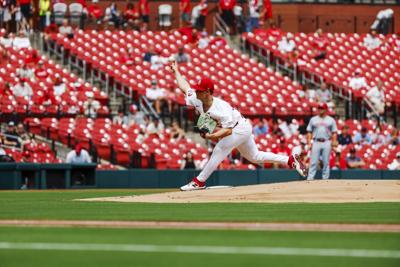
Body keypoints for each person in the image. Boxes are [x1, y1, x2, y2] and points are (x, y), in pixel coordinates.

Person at [169, 59, 307, 191]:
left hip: (239, 127)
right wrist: (176, 71)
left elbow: (228, 131)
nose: (196, 91)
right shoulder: (197, 98)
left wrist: (211, 135)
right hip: (239, 126)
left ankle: (199, 181)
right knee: (255, 157)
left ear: (208, 92)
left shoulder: (221, 108)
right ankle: (290, 160)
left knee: (220, 148)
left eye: (200, 90)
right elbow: (185, 87)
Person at [306, 102, 338, 180]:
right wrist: (309, 143)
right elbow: (309, 131)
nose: (320, 109)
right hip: (316, 141)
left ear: (326, 109)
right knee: (313, 161)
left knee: (326, 162)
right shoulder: (313, 119)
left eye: (322, 108)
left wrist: (334, 142)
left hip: (326, 141)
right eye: (319, 108)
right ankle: (310, 178)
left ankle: (325, 178)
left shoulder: (331, 120)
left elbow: (334, 132)